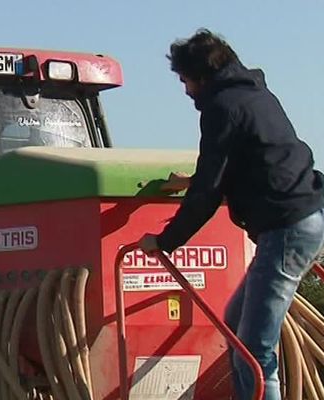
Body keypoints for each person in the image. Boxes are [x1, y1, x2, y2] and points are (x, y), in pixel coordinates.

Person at [138, 29, 324, 400]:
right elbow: (253, 162)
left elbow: (209, 191)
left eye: (184, 80)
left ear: (201, 76)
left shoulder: (222, 107)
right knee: (236, 323)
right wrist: (193, 179)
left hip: (286, 227)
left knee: (254, 349)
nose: (185, 90)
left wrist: (164, 242)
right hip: (303, 215)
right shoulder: (255, 95)